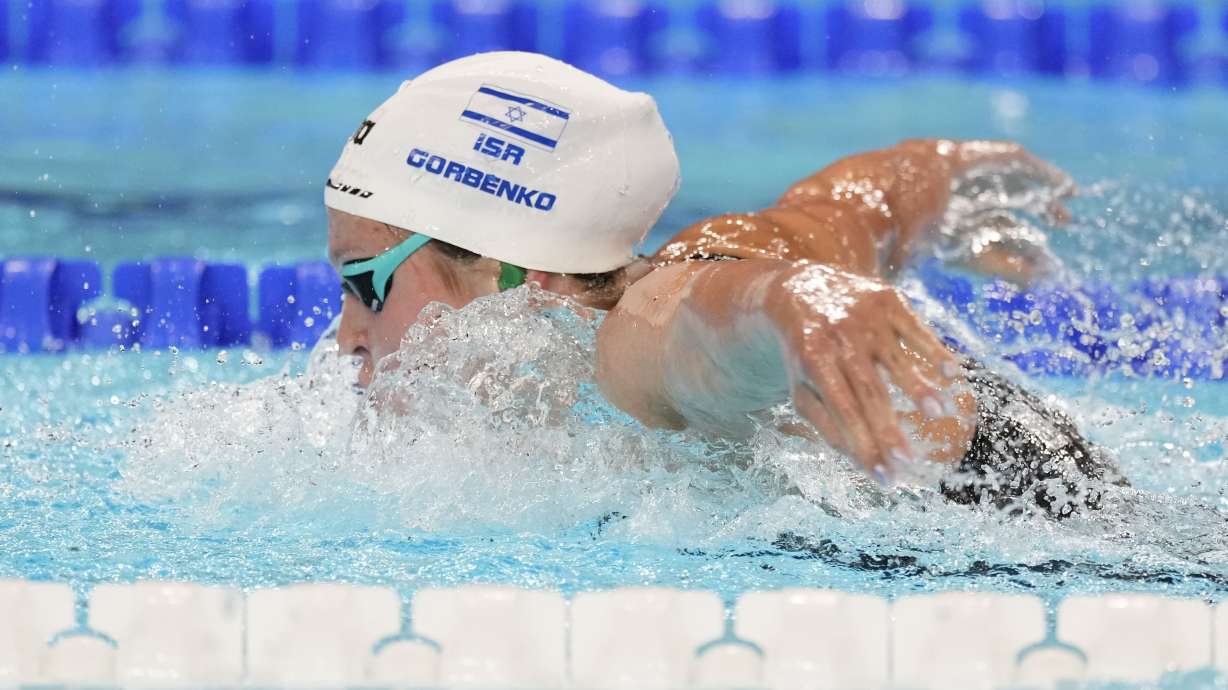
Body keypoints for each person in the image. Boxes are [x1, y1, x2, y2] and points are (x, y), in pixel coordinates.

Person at [325, 51, 1124, 518]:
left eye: (365, 283)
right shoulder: (716, 249)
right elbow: (859, 200)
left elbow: (699, 331)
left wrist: (791, 303)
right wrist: (959, 182)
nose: (346, 336)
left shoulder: (625, 342)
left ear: (521, 280)